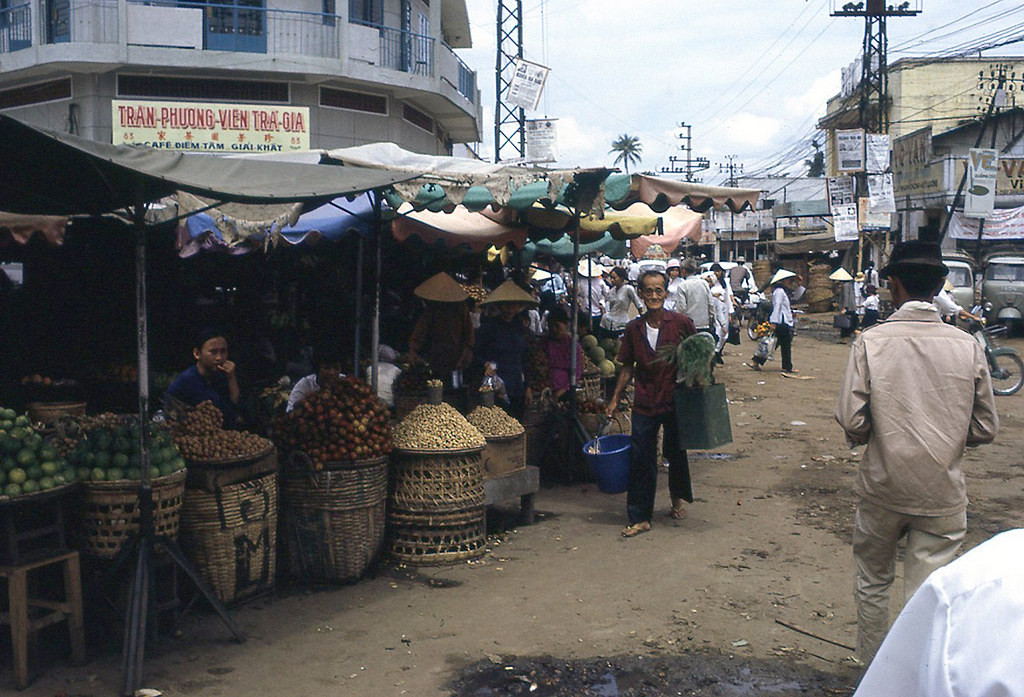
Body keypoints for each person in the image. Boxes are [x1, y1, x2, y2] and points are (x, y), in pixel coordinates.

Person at [835, 240, 999, 666]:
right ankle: (915, 677)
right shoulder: (967, 346)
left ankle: (873, 674)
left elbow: (852, 421)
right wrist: (946, 435)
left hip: (882, 487)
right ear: (941, 285)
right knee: (927, 596)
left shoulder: (871, 342)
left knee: (873, 582)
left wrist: (881, 430)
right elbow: (985, 428)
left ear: (893, 285)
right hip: (941, 495)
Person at [852, 528, 1024, 697]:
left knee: (874, 581)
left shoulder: (993, 570)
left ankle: (873, 661)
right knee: (927, 595)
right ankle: (889, 663)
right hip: (941, 509)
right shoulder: (996, 572)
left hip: (886, 505)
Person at [607, 270, 697, 538]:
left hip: (674, 399)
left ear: (666, 293)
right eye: (649, 291)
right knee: (641, 458)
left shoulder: (680, 322)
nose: (654, 296)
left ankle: (677, 498)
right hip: (645, 401)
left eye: (659, 290)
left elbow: (696, 355)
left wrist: (697, 383)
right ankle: (640, 516)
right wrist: (614, 399)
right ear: (641, 294)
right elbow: (626, 368)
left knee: (676, 452)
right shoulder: (633, 328)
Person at [475, 280, 536, 419]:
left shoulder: (519, 327)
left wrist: (527, 387)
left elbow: (525, 359)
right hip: (496, 386)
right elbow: (477, 353)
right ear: (499, 306)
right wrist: (484, 364)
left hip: (516, 385)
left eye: (513, 306)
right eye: (506, 306)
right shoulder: (489, 328)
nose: (509, 310)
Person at [164, 328, 243, 428]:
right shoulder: (187, 381)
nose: (219, 357)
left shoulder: (222, 374)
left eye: (223, 351)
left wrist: (231, 378)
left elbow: (234, 404)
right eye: (213, 352)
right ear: (197, 354)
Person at [407, 272, 474, 385]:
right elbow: (420, 331)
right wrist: (413, 349)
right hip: (436, 355)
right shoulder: (433, 309)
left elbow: (469, 335)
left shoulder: (461, 308)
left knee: (456, 388)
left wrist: (465, 354)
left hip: (457, 354)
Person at [750, 269, 797, 372]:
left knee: (776, 344)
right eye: (788, 280)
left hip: (783, 321)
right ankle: (786, 367)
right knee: (778, 344)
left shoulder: (781, 291)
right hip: (781, 322)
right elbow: (777, 307)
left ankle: (757, 361)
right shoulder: (779, 292)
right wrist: (774, 322)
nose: (790, 282)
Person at [542, 306, 582, 401]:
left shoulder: (573, 346)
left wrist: (561, 391)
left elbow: (576, 374)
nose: (554, 330)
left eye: (557, 326)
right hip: (544, 390)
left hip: (565, 392)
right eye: (551, 326)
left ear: (566, 325)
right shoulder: (544, 343)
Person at [287, 347, 345, 412]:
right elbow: (290, 412)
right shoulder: (304, 385)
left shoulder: (346, 383)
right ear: (318, 369)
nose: (332, 373)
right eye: (326, 368)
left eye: (336, 368)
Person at [600, 267, 643, 339]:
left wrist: (642, 319)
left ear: (621, 278)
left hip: (621, 324)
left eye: (614, 278)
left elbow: (638, 304)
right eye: (611, 278)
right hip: (607, 324)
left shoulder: (628, 289)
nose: (612, 280)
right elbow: (608, 305)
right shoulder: (612, 291)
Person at [706, 272, 730, 364]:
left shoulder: (724, 284)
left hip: (720, 312)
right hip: (704, 320)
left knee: (721, 335)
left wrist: (723, 324)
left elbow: (726, 299)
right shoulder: (705, 294)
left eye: (710, 282)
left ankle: (716, 353)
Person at [576, 259, 606, 333]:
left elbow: (576, 294)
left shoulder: (580, 282)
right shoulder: (600, 282)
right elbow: (606, 295)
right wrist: (602, 303)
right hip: (595, 313)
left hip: (585, 313)